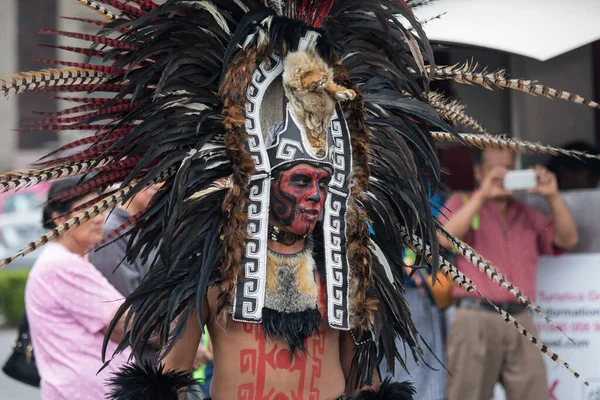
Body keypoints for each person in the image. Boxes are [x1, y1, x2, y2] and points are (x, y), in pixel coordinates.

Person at [0, 1, 597, 399]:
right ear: (262, 181)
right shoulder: (215, 275)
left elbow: (364, 382)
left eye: (324, 181)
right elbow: (170, 379)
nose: (316, 195)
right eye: (301, 182)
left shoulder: (349, 275)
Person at [439, 148, 579, 400]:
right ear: (478, 172)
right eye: (496, 169)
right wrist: (483, 195)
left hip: (521, 319)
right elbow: (443, 239)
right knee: (466, 395)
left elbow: (567, 239)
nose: (504, 176)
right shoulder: (463, 202)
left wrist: (553, 196)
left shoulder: (527, 213)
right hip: (475, 317)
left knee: (534, 394)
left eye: (509, 169)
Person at [24, 177, 130, 399]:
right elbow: (122, 325)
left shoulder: (71, 260)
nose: (99, 218)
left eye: (102, 209)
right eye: (90, 210)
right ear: (59, 218)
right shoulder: (62, 265)